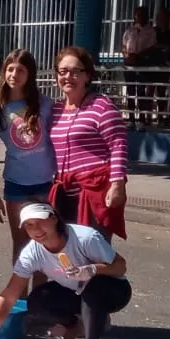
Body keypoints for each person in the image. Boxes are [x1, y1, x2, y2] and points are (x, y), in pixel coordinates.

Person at [0, 203, 130, 339]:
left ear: (54, 218)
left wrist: (93, 270)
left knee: (93, 287)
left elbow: (121, 266)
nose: (36, 230)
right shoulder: (31, 253)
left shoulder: (85, 238)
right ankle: (74, 326)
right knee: (38, 300)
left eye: (40, 222)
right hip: (75, 292)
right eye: (29, 225)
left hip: (113, 291)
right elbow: (9, 295)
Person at [47, 46, 127, 241]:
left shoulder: (101, 106)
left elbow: (118, 144)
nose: (68, 77)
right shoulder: (55, 110)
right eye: (63, 71)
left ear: (87, 76)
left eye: (75, 72)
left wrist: (117, 184)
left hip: (94, 193)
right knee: (65, 252)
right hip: (63, 195)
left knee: (93, 251)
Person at [0, 48, 53, 261]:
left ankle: (40, 295)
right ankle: (21, 294)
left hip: (46, 184)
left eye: (21, 70)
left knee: (45, 245)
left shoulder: (45, 105)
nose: (14, 75)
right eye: (10, 69)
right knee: (22, 245)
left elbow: (59, 143)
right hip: (16, 186)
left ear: (30, 74)